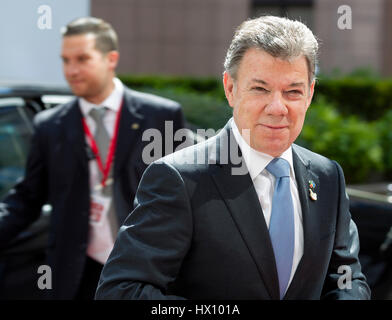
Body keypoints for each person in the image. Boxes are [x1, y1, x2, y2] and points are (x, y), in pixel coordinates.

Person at [95, 16, 371, 300]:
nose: (278, 107)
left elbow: (347, 278)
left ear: (310, 94)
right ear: (230, 88)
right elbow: (120, 291)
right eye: (260, 89)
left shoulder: (327, 177)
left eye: (293, 91)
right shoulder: (179, 179)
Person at [0, 17, 185, 299]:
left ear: (111, 59)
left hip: (144, 270)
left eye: (82, 59)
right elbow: (27, 198)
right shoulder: (49, 125)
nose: (71, 70)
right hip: (75, 274)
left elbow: (186, 197)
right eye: (65, 60)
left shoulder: (160, 116)